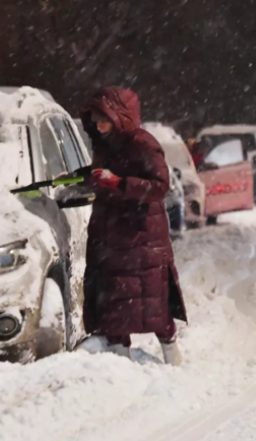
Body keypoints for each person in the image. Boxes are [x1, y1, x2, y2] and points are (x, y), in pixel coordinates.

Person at [80, 86, 187, 366]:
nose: (98, 126)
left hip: (141, 237)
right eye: (95, 120)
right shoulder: (103, 145)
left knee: (153, 301)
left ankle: (171, 350)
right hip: (109, 236)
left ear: (121, 117)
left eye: (104, 119)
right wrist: (84, 178)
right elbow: (101, 176)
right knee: (113, 302)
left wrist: (118, 183)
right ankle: (120, 363)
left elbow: (160, 186)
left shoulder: (144, 144)